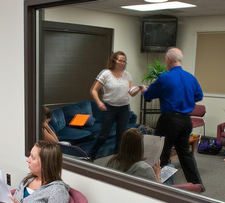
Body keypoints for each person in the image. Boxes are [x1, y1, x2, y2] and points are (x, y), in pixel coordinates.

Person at [141, 47, 205, 190]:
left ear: (169, 59)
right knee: (185, 153)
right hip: (186, 121)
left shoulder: (165, 77)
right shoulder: (190, 77)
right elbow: (199, 96)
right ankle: (197, 185)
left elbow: (149, 96)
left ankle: (161, 187)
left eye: (165, 60)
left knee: (161, 153)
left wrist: (145, 90)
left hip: (169, 120)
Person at [88, 51, 142, 161]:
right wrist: (99, 102)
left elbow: (131, 92)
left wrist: (139, 88)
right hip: (109, 108)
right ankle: (90, 155)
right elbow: (93, 90)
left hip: (124, 108)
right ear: (114, 60)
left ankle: (118, 159)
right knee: (104, 134)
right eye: (120, 60)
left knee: (121, 135)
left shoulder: (127, 75)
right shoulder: (106, 73)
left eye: (124, 61)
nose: (122, 63)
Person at [107, 128, 175, 185]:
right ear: (140, 147)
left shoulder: (112, 161)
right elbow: (157, 191)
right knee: (170, 167)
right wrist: (157, 174)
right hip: (145, 195)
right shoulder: (145, 168)